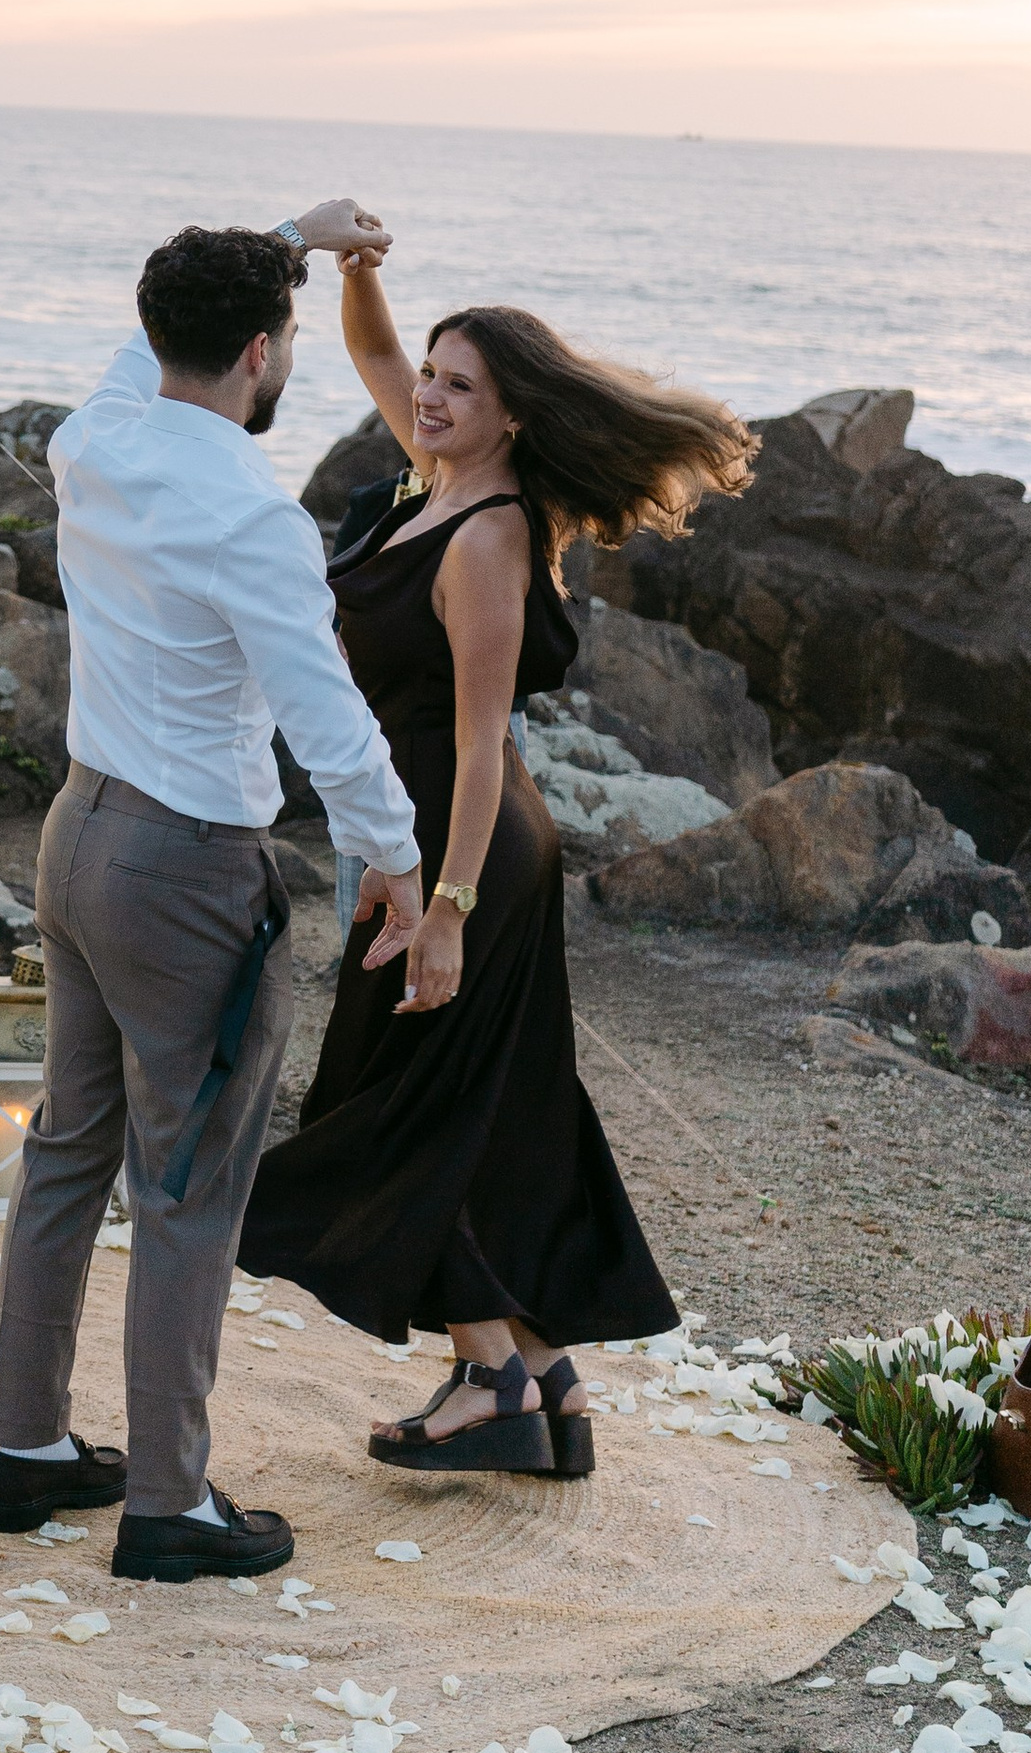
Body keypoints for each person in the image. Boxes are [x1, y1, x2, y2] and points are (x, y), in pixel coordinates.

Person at [239, 257, 756, 1474]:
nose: (426, 395)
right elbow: (372, 358)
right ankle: (545, 1371)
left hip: (461, 841)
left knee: (394, 1101)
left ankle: (490, 1378)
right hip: (431, 829)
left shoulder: (484, 534)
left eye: (457, 385)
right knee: (486, 1102)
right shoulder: (440, 479)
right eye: (429, 373)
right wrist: (353, 268)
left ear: (511, 411)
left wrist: (449, 910)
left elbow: (478, 745)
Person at [0, 207, 426, 1581]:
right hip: (181, 871)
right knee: (187, 1186)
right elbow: (327, 718)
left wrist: (290, 238)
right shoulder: (251, 511)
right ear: (259, 351)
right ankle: (169, 1502)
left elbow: (140, 351)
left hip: (74, 839)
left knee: (70, 1151)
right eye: (288, 335)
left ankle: (28, 1453)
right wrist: (402, 868)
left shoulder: (95, 437)